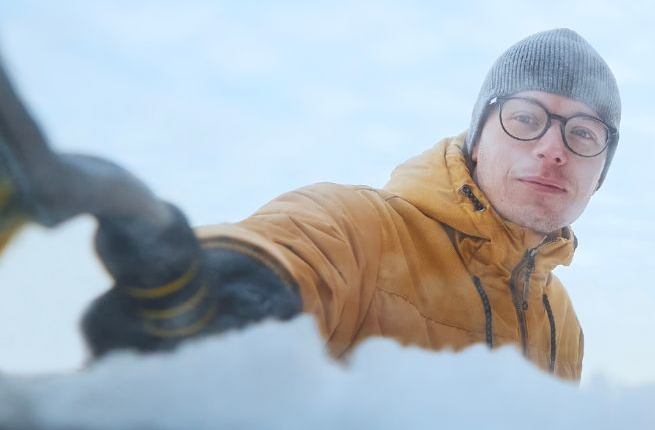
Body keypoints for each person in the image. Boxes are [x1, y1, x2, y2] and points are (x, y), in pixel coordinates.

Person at [83, 28, 619, 381]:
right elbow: (291, 248)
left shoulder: (561, 322)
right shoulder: (361, 229)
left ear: (599, 175)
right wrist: (209, 291)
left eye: (584, 134)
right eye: (526, 119)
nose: (553, 149)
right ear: (477, 138)